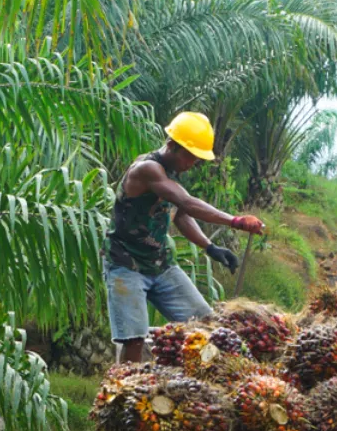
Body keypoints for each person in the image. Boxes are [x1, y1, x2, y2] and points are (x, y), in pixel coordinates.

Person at [105, 111, 266, 362]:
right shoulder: (148, 168)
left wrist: (210, 247)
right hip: (126, 265)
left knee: (205, 323)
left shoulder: (171, 173)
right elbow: (187, 203)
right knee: (134, 339)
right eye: (190, 155)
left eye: (196, 158)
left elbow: (180, 215)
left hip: (160, 265)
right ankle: (125, 383)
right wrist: (235, 221)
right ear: (171, 145)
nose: (192, 163)